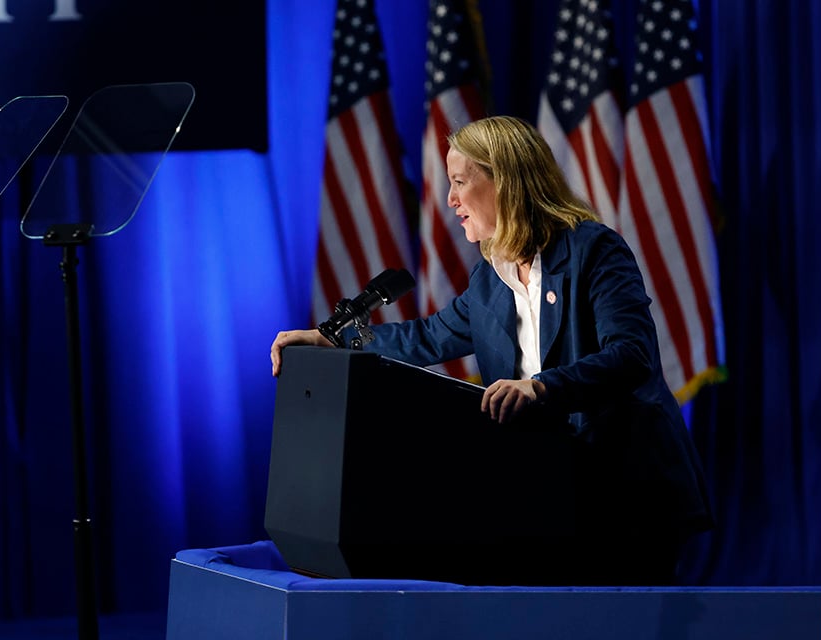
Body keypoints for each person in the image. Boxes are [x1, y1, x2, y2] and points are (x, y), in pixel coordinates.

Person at [270, 115, 713, 586]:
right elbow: (426, 337)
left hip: (628, 495)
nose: (451, 200)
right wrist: (332, 338)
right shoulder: (490, 281)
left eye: (460, 181)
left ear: (507, 180)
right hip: (548, 500)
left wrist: (540, 388)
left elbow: (632, 356)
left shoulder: (593, 251)